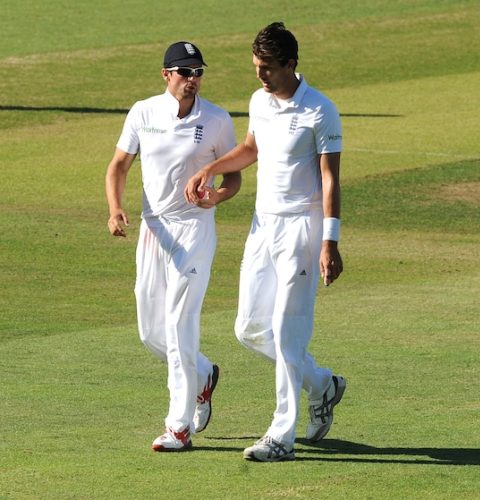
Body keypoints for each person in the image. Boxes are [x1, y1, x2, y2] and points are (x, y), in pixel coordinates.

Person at [185, 22, 346, 462]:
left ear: (291, 64)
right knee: (249, 328)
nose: (260, 76)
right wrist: (211, 169)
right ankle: (324, 386)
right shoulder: (259, 101)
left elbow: (331, 178)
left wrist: (330, 241)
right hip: (263, 226)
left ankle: (281, 436)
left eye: (268, 68)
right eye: (256, 67)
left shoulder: (320, 110)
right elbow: (252, 148)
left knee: (290, 337)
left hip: (302, 230)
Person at [105, 41, 241, 452]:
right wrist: (115, 209)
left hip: (194, 230)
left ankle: (178, 427)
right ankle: (203, 375)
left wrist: (218, 197)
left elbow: (234, 177)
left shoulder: (216, 119)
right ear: (166, 75)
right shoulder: (143, 112)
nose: (192, 79)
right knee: (151, 333)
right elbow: (118, 166)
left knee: (181, 327)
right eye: (184, 72)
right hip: (153, 230)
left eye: (198, 72)